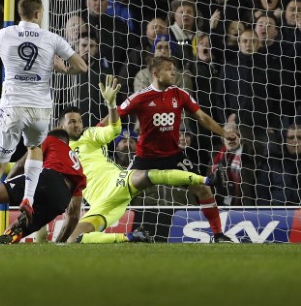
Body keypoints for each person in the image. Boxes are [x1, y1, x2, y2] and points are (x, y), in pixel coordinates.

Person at [0, 0, 87, 243]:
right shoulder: (52, 38)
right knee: (35, 147)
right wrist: (62, 68)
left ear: (21, 13)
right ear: (38, 14)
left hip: (12, 107)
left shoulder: (5, 34)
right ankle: (28, 197)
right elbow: (81, 67)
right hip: (40, 110)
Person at [60, 77, 221, 243]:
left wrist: (111, 104)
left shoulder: (89, 134)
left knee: (151, 175)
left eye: (79, 121)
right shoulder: (57, 152)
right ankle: (131, 237)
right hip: (100, 203)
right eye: (72, 122)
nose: (78, 125)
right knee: (73, 239)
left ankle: (207, 179)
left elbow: (114, 130)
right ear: (61, 126)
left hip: (117, 182)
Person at [118, 57, 238, 242]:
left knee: (203, 189)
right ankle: (104, 230)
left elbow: (202, 117)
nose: (174, 73)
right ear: (156, 74)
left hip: (173, 156)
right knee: (119, 193)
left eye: (174, 69)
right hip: (145, 158)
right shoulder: (140, 97)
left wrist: (223, 132)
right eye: (168, 69)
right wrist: (92, 138)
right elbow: (112, 120)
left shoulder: (180, 94)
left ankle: (218, 234)